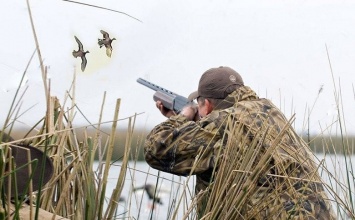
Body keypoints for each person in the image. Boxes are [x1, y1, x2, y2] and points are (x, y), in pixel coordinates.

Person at [144, 66, 335, 219]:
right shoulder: (270, 112)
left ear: (208, 105)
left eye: (199, 106)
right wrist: (194, 124)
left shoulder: (221, 124)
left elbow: (156, 149)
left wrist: (183, 117)